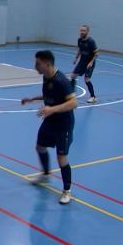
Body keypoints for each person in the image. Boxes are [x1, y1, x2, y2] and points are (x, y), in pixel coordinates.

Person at [22, 50, 78, 204]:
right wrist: (32, 99)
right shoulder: (46, 77)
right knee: (40, 147)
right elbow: (49, 96)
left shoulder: (62, 81)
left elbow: (74, 103)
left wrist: (51, 109)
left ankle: (67, 191)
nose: (35, 67)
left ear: (47, 63)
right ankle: (46, 175)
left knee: (61, 157)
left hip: (63, 124)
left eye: (37, 63)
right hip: (50, 121)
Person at [70, 25, 98, 103]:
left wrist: (91, 62)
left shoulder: (91, 41)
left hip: (89, 63)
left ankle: (93, 97)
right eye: (81, 30)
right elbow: (80, 50)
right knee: (73, 76)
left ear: (87, 32)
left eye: (84, 31)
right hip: (82, 61)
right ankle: (72, 94)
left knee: (87, 79)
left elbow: (96, 53)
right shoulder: (79, 40)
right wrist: (76, 58)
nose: (82, 32)